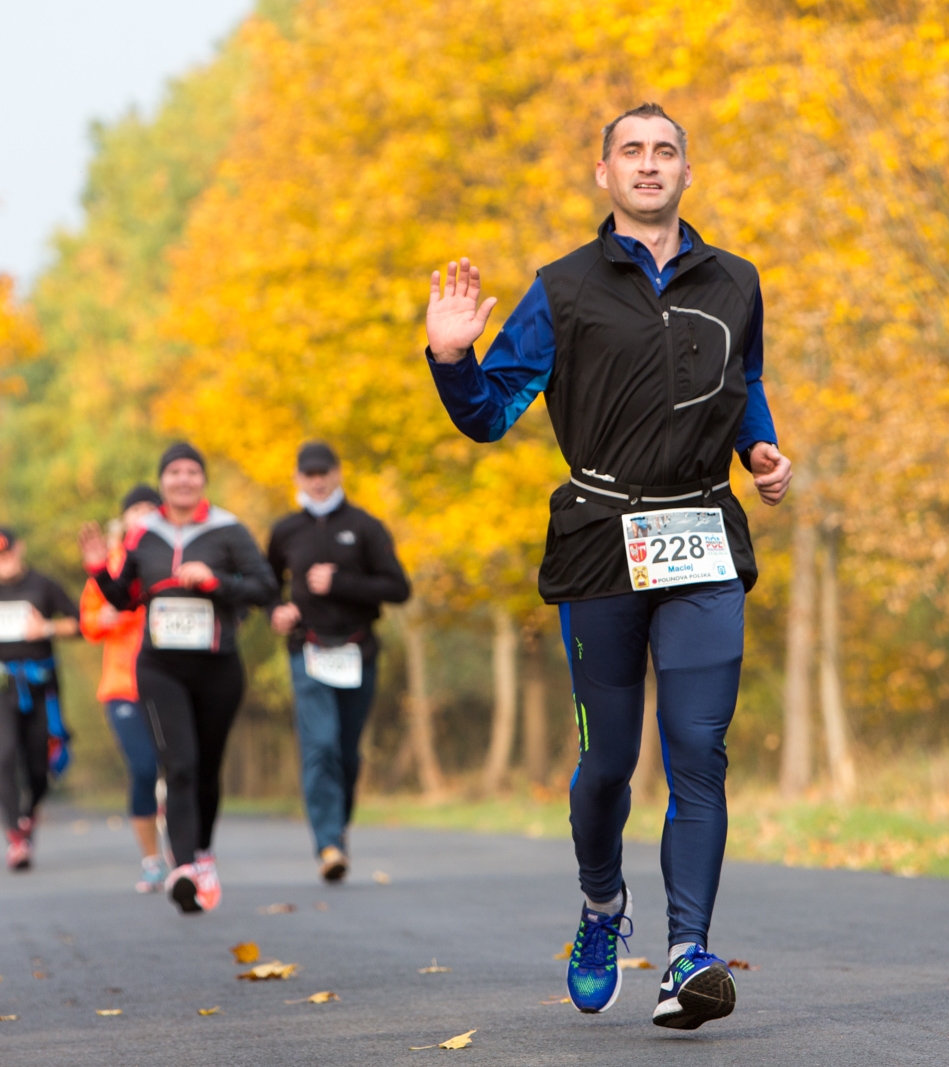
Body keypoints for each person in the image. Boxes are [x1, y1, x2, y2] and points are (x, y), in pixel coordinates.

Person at [422, 103, 794, 1029]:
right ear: (604, 173)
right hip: (602, 537)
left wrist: (762, 451)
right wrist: (450, 356)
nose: (649, 164)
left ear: (686, 173)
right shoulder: (564, 287)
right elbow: (489, 411)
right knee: (608, 763)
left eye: (665, 151)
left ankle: (687, 955)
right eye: (631, 151)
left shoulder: (738, 280)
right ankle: (599, 907)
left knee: (699, 751)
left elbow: (741, 383)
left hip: (702, 532)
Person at [77, 442, 277, 915]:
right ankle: (183, 868)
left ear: (202, 480)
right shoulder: (143, 533)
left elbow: (266, 587)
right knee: (180, 764)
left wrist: (215, 583)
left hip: (217, 666)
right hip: (159, 667)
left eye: (192, 472)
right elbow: (124, 599)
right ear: (163, 481)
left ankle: (201, 853)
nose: (183, 480)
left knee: (207, 768)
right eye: (174, 473)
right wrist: (95, 569)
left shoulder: (227, 529)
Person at [267, 441, 411, 883]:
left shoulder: (365, 527)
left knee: (346, 754)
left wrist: (341, 581)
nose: (316, 480)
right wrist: (277, 609)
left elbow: (398, 588)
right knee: (321, 746)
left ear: (338, 473)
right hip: (307, 651)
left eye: (323, 472)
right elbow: (264, 583)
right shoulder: (285, 530)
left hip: (357, 652)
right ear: (296, 478)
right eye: (308, 473)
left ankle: (337, 832)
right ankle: (327, 844)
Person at [0, 527, 81, 872]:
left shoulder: (43, 585)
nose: (3, 560)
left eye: (8, 552)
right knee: (3, 753)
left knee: (39, 765)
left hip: (40, 685)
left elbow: (81, 623)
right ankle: (15, 835)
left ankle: (28, 815)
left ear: (20, 549)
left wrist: (49, 629)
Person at [80, 484, 167, 893]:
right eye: (137, 509)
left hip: (170, 681)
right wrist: (113, 616)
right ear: (125, 518)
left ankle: (189, 857)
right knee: (144, 768)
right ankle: (152, 859)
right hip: (123, 684)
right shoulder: (111, 564)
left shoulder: (173, 559)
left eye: (153, 508)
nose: (145, 515)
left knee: (179, 768)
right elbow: (90, 622)